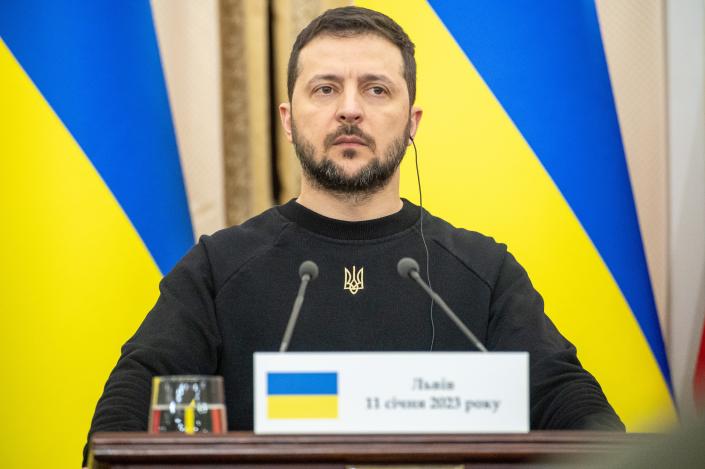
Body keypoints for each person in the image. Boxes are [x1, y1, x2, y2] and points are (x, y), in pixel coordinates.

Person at [84, 5, 623, 465]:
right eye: (325, 88)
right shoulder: (216, 270)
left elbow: (574, 411)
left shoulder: (483, 273)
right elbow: (124, 421)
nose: (349, 108)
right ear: (289, 119)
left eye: (375, 89)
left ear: (412, 123)